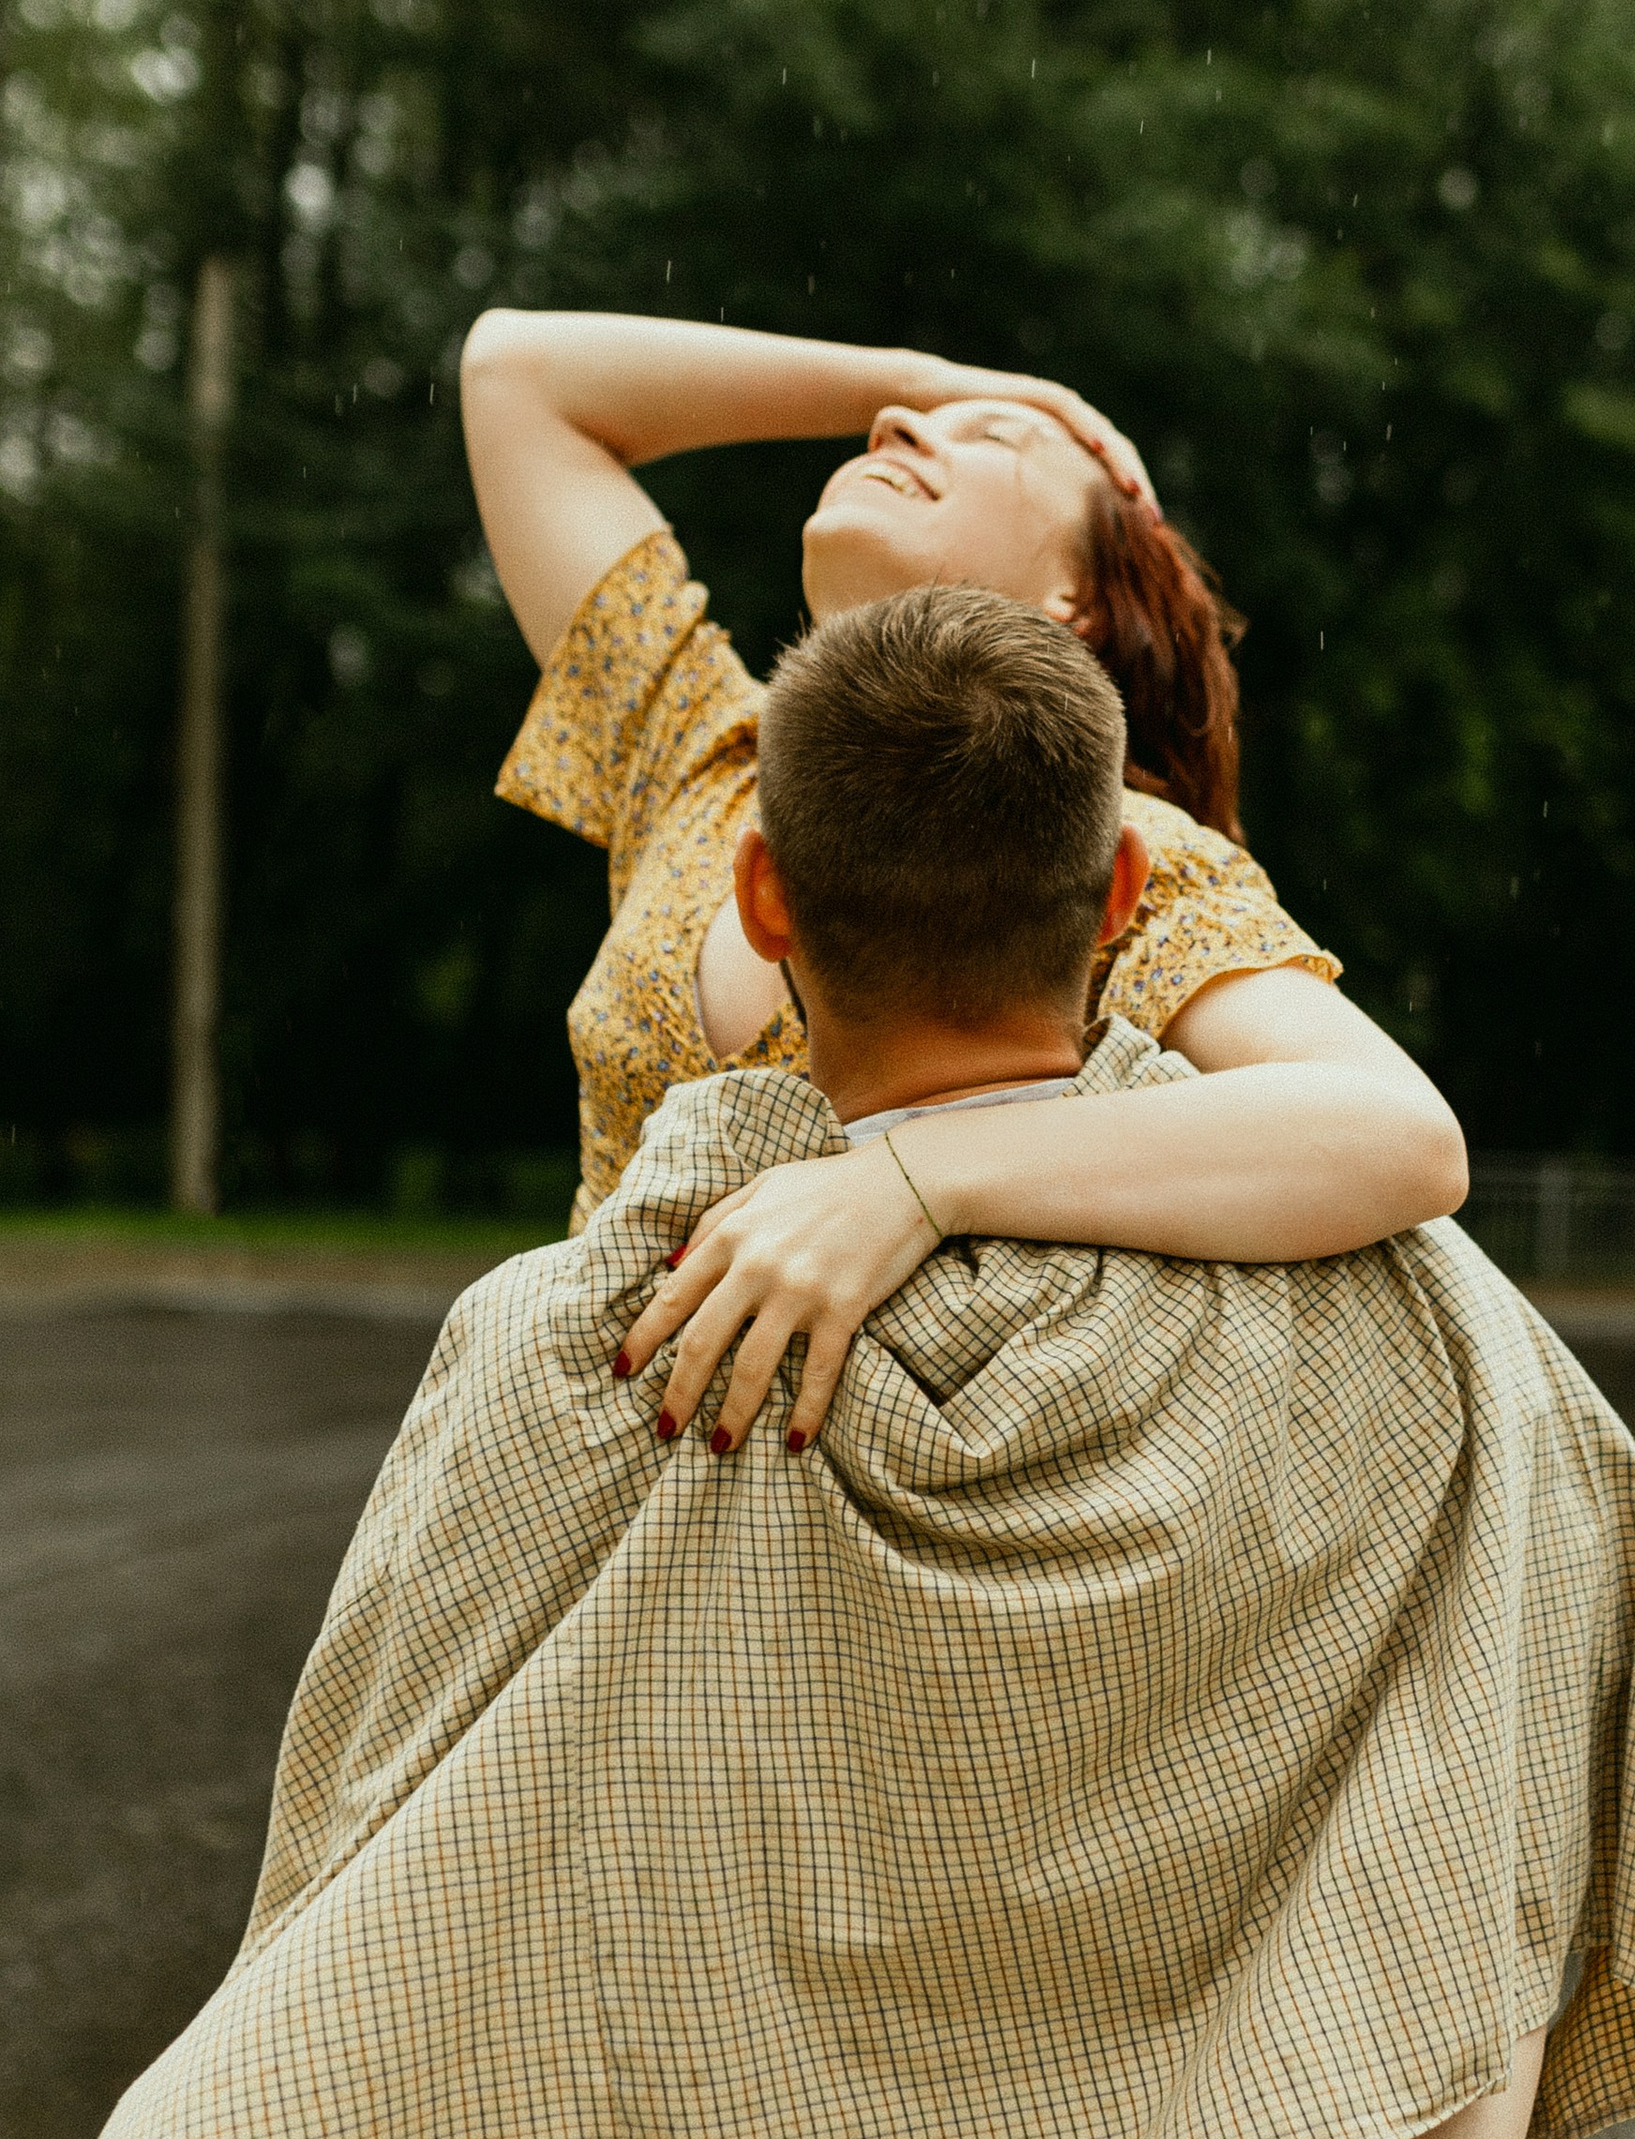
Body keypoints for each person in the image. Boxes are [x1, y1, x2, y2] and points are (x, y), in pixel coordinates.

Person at [0, 589, 1635, 2139]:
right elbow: (1531, 1741)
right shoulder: (1397, 1302)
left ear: (760, 905)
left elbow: (410, 1827)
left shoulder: (574, 1341)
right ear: (1125, 898)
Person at [459, 306, 1470, 1460]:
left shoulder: (1098, 852)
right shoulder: (701, 752)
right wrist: (929, 370)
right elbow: (515, 373)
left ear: (1073, 600)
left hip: (891, 1564)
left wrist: (913, 1180)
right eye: (903, 422)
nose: (897, 426)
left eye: (988, 440)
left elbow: (1396, 1134)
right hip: (593, 1491)